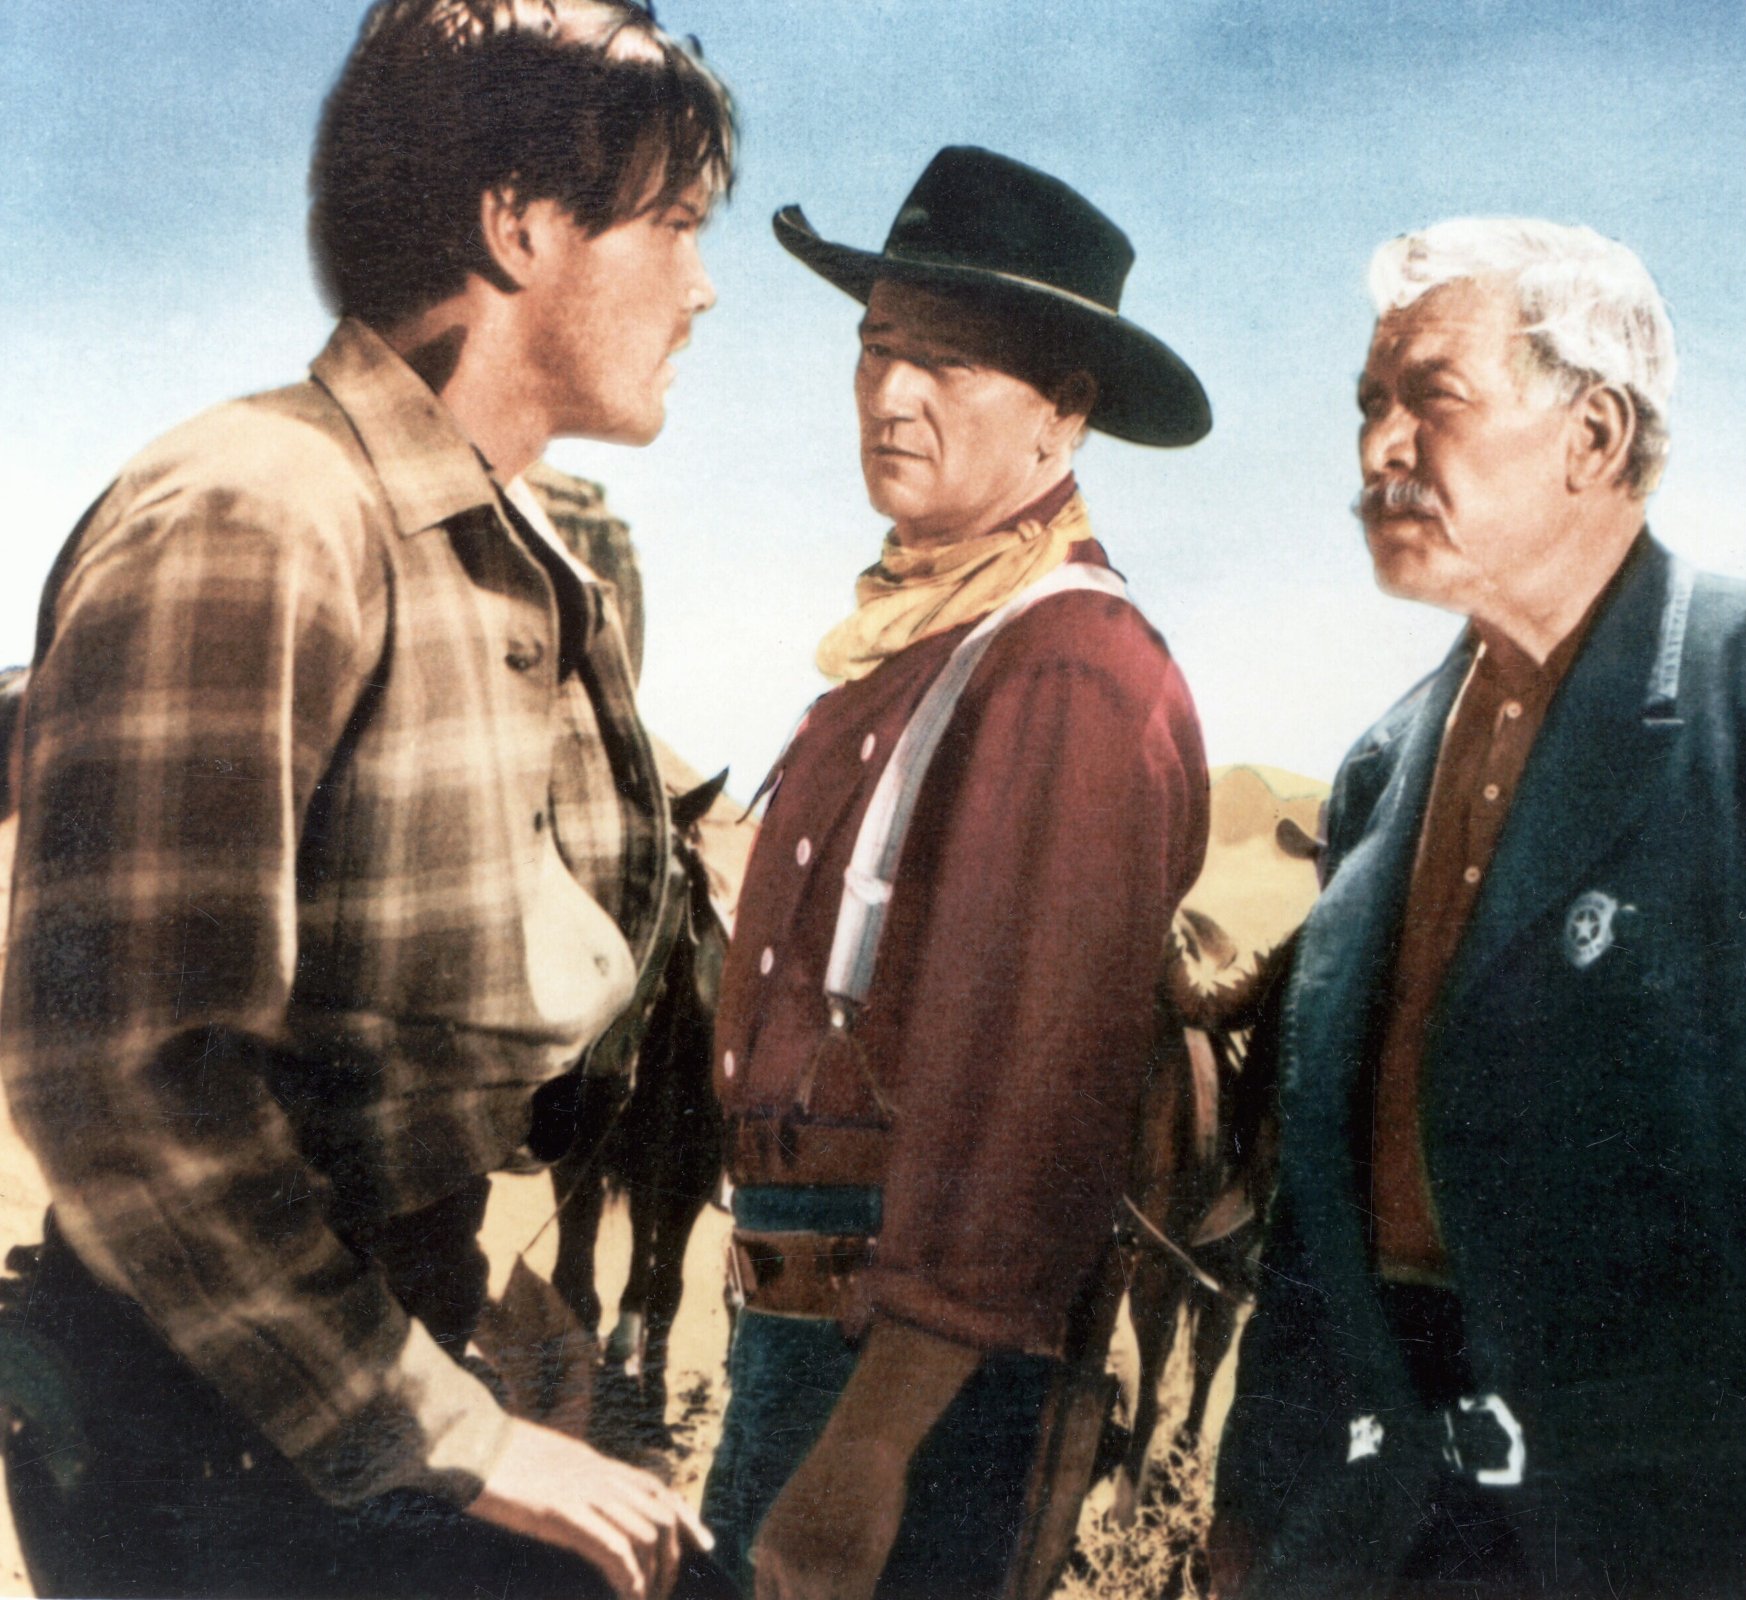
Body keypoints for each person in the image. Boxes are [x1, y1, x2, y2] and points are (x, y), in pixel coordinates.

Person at [0, 4, 734, 1597]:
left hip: (376, 1364)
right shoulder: (260, 515)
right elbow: (120, 1076)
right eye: (673, 223)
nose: (703, 282)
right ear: (520, 223)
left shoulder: (504, 551)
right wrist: (445, 1432)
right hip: (217, 1440)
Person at [1211, 218, 1746, 1597]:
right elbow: (1316, 1209)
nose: (1381, 446)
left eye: (1431, 400)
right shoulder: (1381, 769)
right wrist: (1252, 1506)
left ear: (1591, 434)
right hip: (1373, 1544)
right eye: (1369, 405)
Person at [702, 146, 1211, 1600]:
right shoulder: (914, 647)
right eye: (877, 348)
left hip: (907, 1370)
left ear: (1066, 411)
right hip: (807, 1330)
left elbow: (1025, 1106)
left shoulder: (1067, 669)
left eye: (953, 364)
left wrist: (868, 1452)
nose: (889, 395)